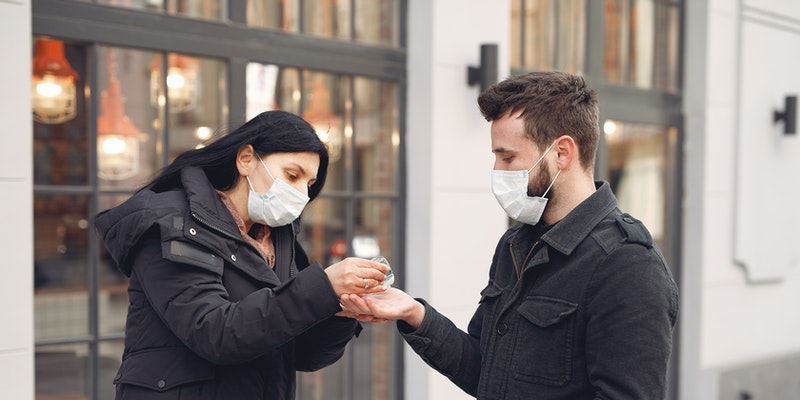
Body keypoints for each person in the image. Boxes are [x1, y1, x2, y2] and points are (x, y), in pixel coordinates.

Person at [341, 71, 680, 399]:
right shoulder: (516, 245)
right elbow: (483, 369)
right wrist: (414, 314)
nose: (497, 172)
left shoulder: (627, 265)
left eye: (508, 157)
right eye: (496, 157)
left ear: (562, 153)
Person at [95, 110, 391, 400]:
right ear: (246, 159)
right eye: (292, 175)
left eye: (309, 185)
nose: (301, 194)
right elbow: (214, 333)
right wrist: (321, 286)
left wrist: (336, 312)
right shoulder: (173, 224)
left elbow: (301, 354)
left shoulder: (279, 239)